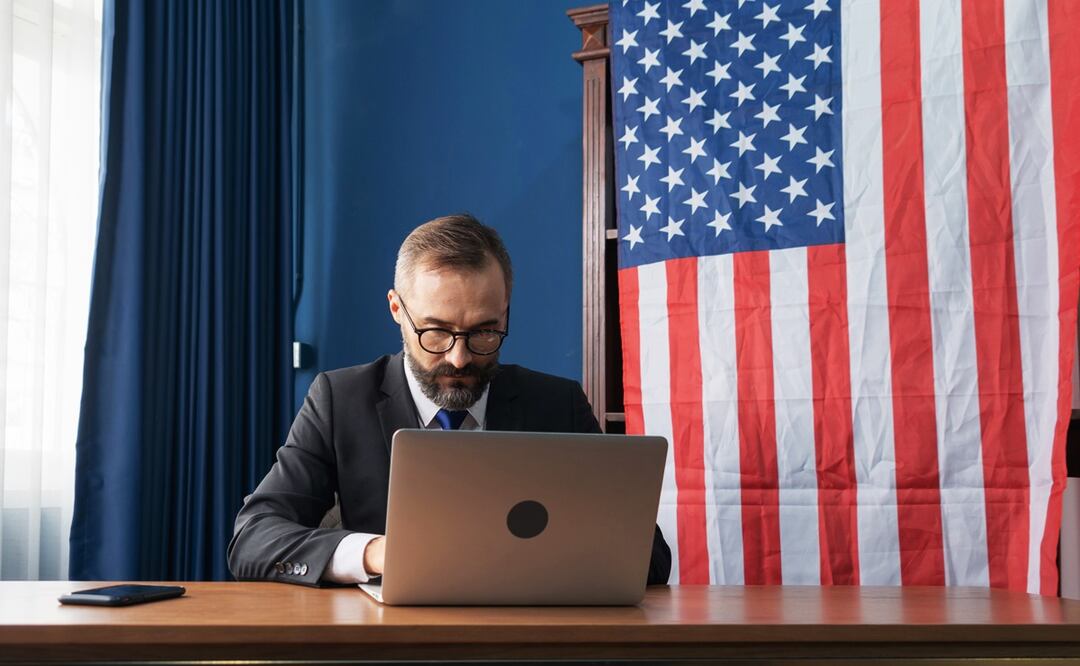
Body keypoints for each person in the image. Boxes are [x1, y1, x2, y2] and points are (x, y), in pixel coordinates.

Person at [227, 214, 672, 586]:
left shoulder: (558, 404)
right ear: (397, 310)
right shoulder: (339, 400)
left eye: (484, 331)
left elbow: (650, 558)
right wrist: (377, 553)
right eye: (436, 331)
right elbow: (253, 539)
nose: (459, 358)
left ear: (506, 313)